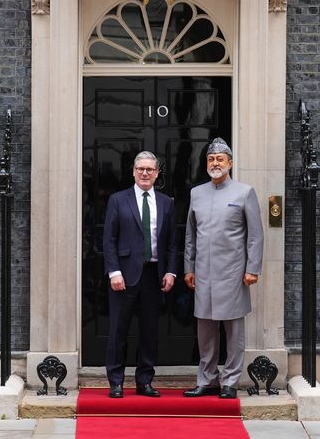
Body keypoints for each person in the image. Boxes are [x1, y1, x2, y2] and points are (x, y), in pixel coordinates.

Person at [183, 138, 264, 399]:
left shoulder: (244, 192)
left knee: (233, 331)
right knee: (205, 329)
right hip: (203, 273)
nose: (215, 163)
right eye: (211, 159)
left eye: (220, 159)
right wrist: (189, 267)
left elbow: (255, 235)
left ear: (230, 163)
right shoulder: (197, 193)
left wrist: (253, 268)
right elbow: (190, 235)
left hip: (233, 273)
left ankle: (230, 381)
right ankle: (207, 379)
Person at [102, 151, 177, 398]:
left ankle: (144, 381)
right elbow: (109, 240)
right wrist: (113, 272)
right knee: (118, 330)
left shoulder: (166, 203)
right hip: (123, 275)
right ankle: (115, 381)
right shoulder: (118, 200)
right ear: (133, 171)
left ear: (156, 173)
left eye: (150, 169)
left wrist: (171, 271)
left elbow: (172, 243)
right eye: (141, 169)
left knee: (149, 331)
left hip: (153, 275)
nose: (145, 173)